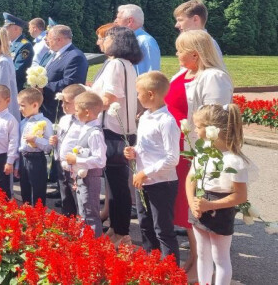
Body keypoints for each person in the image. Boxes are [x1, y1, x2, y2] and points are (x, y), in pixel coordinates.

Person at [166, 29, 233, 277]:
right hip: (177, 148)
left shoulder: (214, 77)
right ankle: (196, 258)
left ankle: (198, 263)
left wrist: (205, 154)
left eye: (179, 50)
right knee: (185, 209)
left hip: (196, 151)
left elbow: (214, 120)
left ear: (195, 54)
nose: (176, 54)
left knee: (194, 207)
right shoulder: (184, 72)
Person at [188, 104, 255, 285]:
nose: (194, 129)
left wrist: (210, 205)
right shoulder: (202, 152)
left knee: (220, 257)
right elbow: (191, 179)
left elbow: (240, 196)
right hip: (198, 206)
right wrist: (192, 203)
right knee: (202, 254)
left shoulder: (233, 160)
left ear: (212, 129)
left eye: (198, 126)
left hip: (220, 208)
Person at [91, 25, 141, 246]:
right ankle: (115, 228)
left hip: (112, 129)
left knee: (117, 185)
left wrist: (86, 104)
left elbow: (109, 97)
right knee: (114, 183)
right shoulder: (127, 64)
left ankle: (122, 232)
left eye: (107, 37)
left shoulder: (115, 65)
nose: (102, 42)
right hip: (123, 129)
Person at [125, 71, 180, 263]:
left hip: (161, 183)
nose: (137, 97)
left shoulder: (167, 121)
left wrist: (145, 172)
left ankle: (170, 271)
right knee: (145, 224)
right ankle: (151, 263)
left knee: (162, 229)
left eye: (139, 93)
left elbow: (172, 158)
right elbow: (145, 146)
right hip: (144, 181)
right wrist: (134, 151)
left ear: (151, 94)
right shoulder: (146, 117)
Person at [62, 91, 107, 237]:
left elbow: (100, 160)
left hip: (90, 178)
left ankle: (93, 244)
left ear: (87, 112)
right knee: (83, 211)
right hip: (81, 176)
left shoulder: (94, 133)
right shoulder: (86, 128)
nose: (75, 114)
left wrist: (77, 160)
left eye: (77, 111)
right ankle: (84, 241)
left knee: (90, 213)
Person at [50, 84, 88, 217]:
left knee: (78, 195)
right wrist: (55, 140)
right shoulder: (64, 119)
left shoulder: (84, 122)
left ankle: (81, 220)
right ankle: (68, 219)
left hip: (75, 166)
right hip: (62, 162)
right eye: (62, 102)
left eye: (67, 103)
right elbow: (62, 137)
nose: (63, 106)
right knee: (65, 193)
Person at [41, 25, 88, 122]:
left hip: (59, 110)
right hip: (47, 108)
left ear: (59, 40)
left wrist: (43, 87)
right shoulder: (53, 54)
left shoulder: (75, 56)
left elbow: (71, 83)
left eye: (49, 38)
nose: (47, 41)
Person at [17, 87, 53, 206]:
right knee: (25, 188)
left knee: (38, 189)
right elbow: (19, 144)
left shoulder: (44, 122)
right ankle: (27, 213)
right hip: (23, 158)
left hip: (36, 158)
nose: (20, 108)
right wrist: (17, 165)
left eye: (23, 105)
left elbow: (49, 146)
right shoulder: (23, 122)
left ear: (35, 105)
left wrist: (36, 140)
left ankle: (38, 215)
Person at [115, 4, 161, 75]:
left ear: (130, 21)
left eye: (118, 18)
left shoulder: (146, 42)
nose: (115, 21)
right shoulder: (127, 40)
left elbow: (151, 75)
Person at [3, 13, 33, 92]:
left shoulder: (25, 45)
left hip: (15, 88)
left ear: (16, 29)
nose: (4, 31)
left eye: (7, 28)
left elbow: (18, 69)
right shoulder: (9, 44)